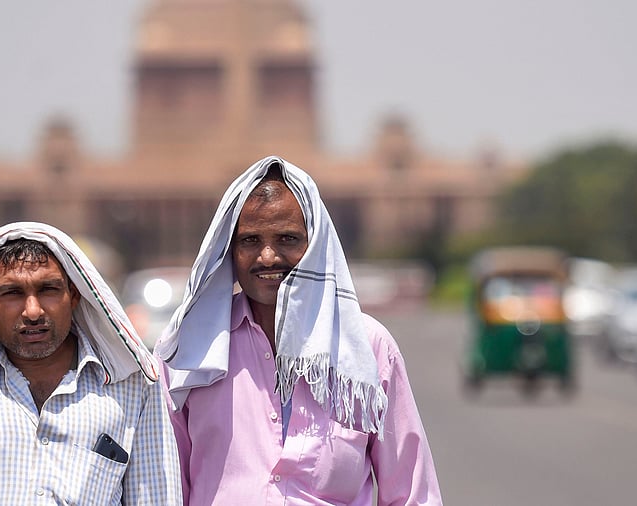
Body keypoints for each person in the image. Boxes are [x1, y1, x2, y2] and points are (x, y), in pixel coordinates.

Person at [156, 156, 442, 505]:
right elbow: (166, 489)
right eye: (249, 241)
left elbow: (411, 494)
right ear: (228, 250)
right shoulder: (190, 351)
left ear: (315, 245)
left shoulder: (369, 348)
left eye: (287, 238)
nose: (267, 256)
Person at [0, 222, 182, 505]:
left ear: (75, 295)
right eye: (13, 293)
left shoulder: (132, 385)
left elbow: (156, 496)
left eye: (48, 289)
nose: (33, 310)